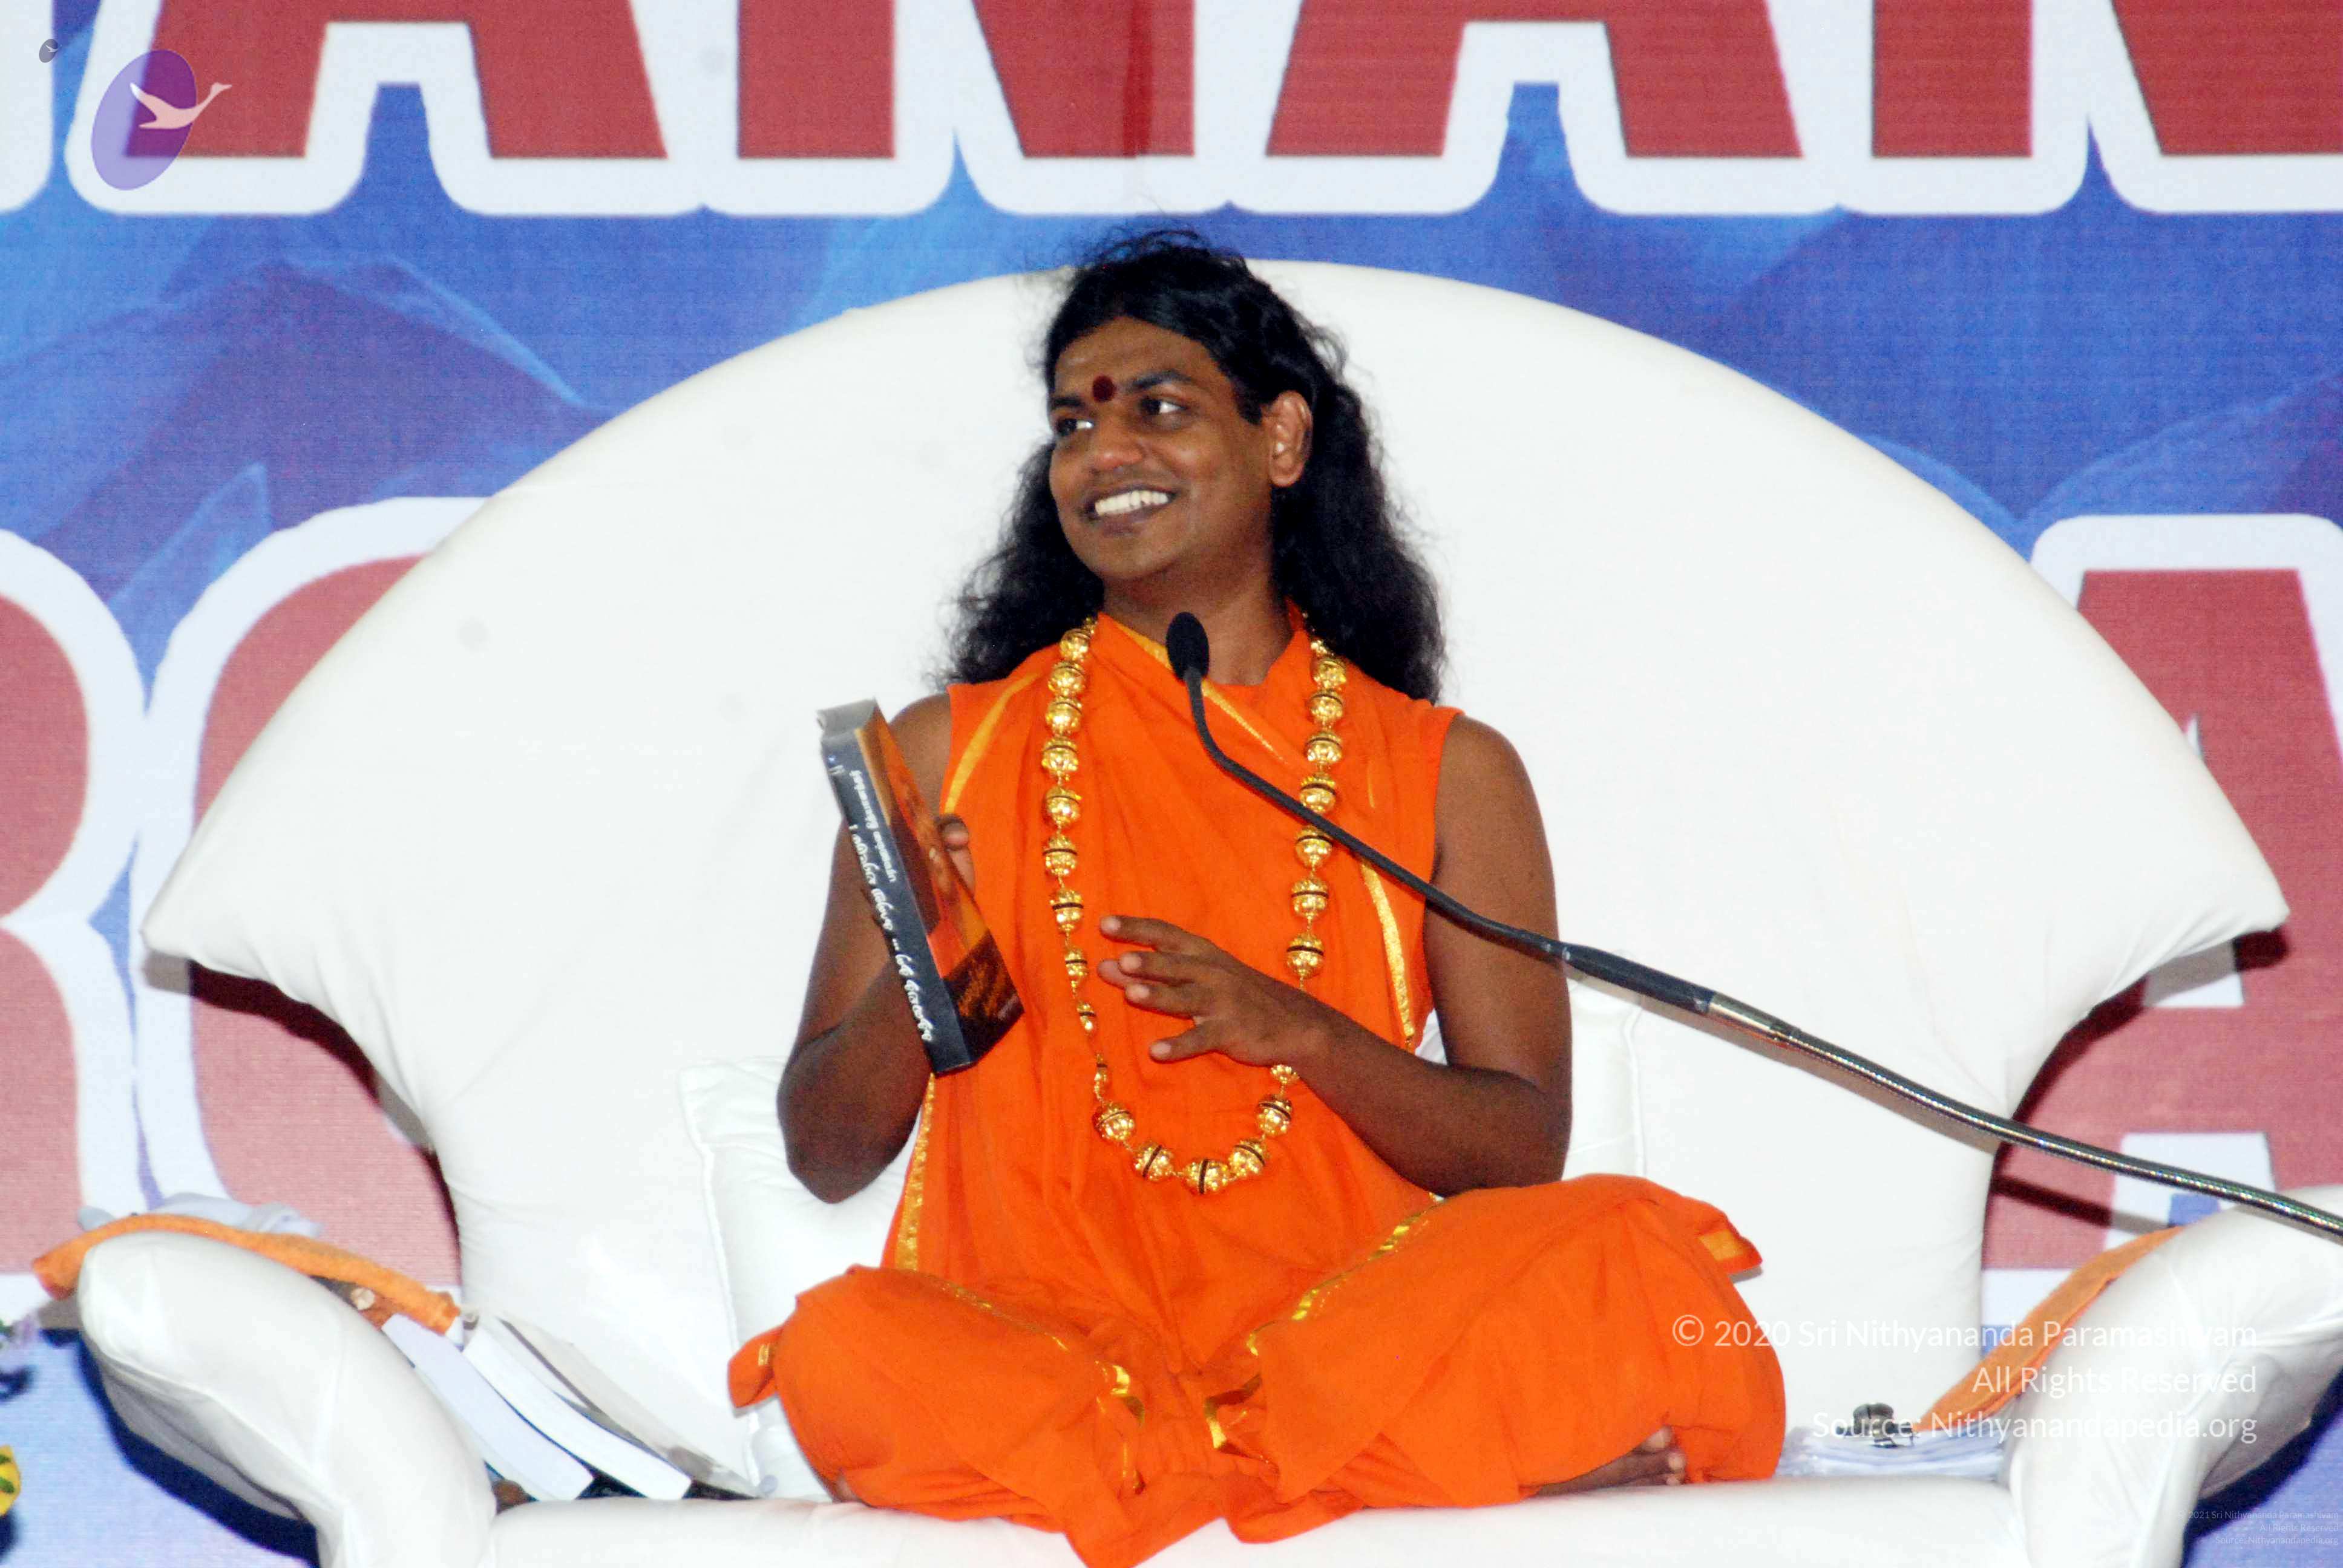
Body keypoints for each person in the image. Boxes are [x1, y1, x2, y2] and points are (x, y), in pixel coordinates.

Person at [732, 232, 1784, 1568]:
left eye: (1158, 407)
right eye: (1073, 422)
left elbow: (1521, 1147)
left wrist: (1303, 1034)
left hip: (1354, 1335)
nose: (1103, 452)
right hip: (1048, 1346)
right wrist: (926, 971)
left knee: (1629, 1258)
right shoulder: (948, 756)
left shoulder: (1445, 770)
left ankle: (1208, 1466)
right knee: (847, 1349)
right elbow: (824, 1152)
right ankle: (1365, 1465)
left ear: (1281, 439)